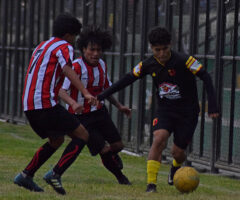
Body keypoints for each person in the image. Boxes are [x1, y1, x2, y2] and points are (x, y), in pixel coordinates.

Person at [97, 27, 219, 192]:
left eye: (165, 49)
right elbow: (127, 79)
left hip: (187, 113)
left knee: (178, 152)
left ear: (171, 45)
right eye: (157, 50)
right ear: (151, 48)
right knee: (159, 138)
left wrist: (212, 104)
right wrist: (102, 96)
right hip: (165, 110)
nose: (161, 53)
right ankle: (151, 185)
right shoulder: (148, 64)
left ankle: (176, 167)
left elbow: (206, 76)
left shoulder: (185, 60)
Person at [13, 13, 97, 195]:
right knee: (82, 134)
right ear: (69, 34)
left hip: (30, 104)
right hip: (43, 103)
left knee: (57, 140)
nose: (74, 40)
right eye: (74, 36)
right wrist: (85, 92)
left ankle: (25, 175)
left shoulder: (42, 46)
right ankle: (55, 174)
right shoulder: (64, 46)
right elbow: (67, 69)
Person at [59, 26, 131, 185]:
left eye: (99, 50)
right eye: (92, 49)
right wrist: (73, 103)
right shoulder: (75, 67)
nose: (96, 54)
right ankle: (121, 178)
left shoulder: (102, 65)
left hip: (99, 112)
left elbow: (106, 89)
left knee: (118, 145)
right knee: (104, 150)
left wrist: (119, 106)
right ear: (83, 48)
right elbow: (61, 91)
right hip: (81, 117)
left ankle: (111, 157)